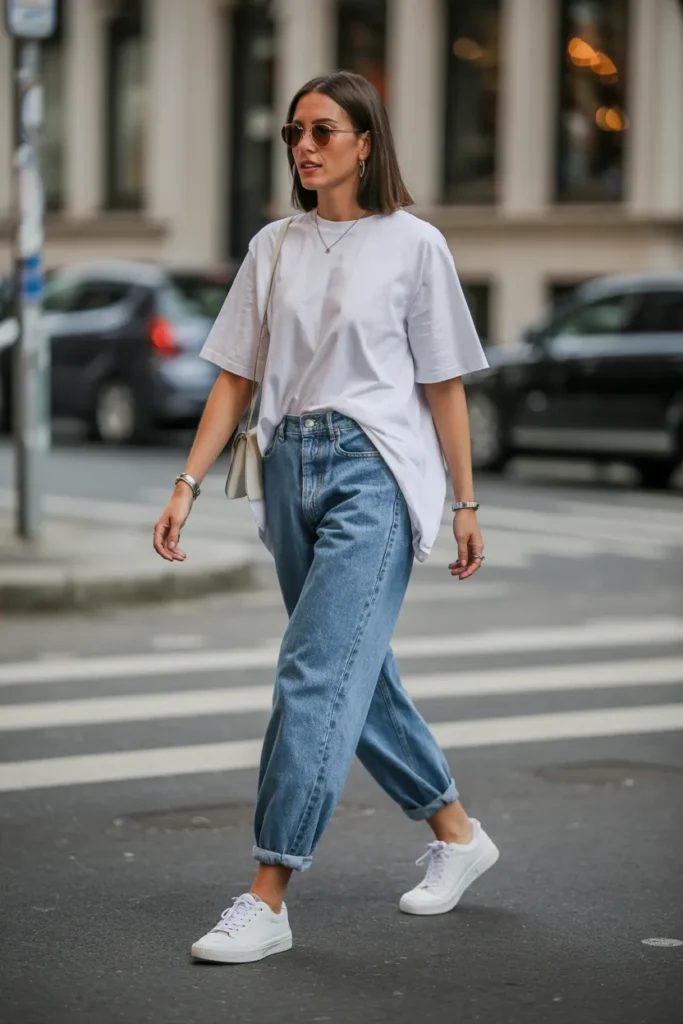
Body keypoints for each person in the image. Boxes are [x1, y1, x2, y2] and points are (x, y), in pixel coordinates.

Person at [153, 70, 498, 965]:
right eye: (293, 133)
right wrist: (187, 484)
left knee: (311, 674)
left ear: (365, 143)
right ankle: (458, 834)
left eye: (322, 131)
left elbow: (443, 384)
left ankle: (268, 893)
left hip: (373, 471)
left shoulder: (415, 245)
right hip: (287, 470)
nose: (304, 147)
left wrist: (464, 503)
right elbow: (236, 375)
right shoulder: (273, 246)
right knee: (351, 667)